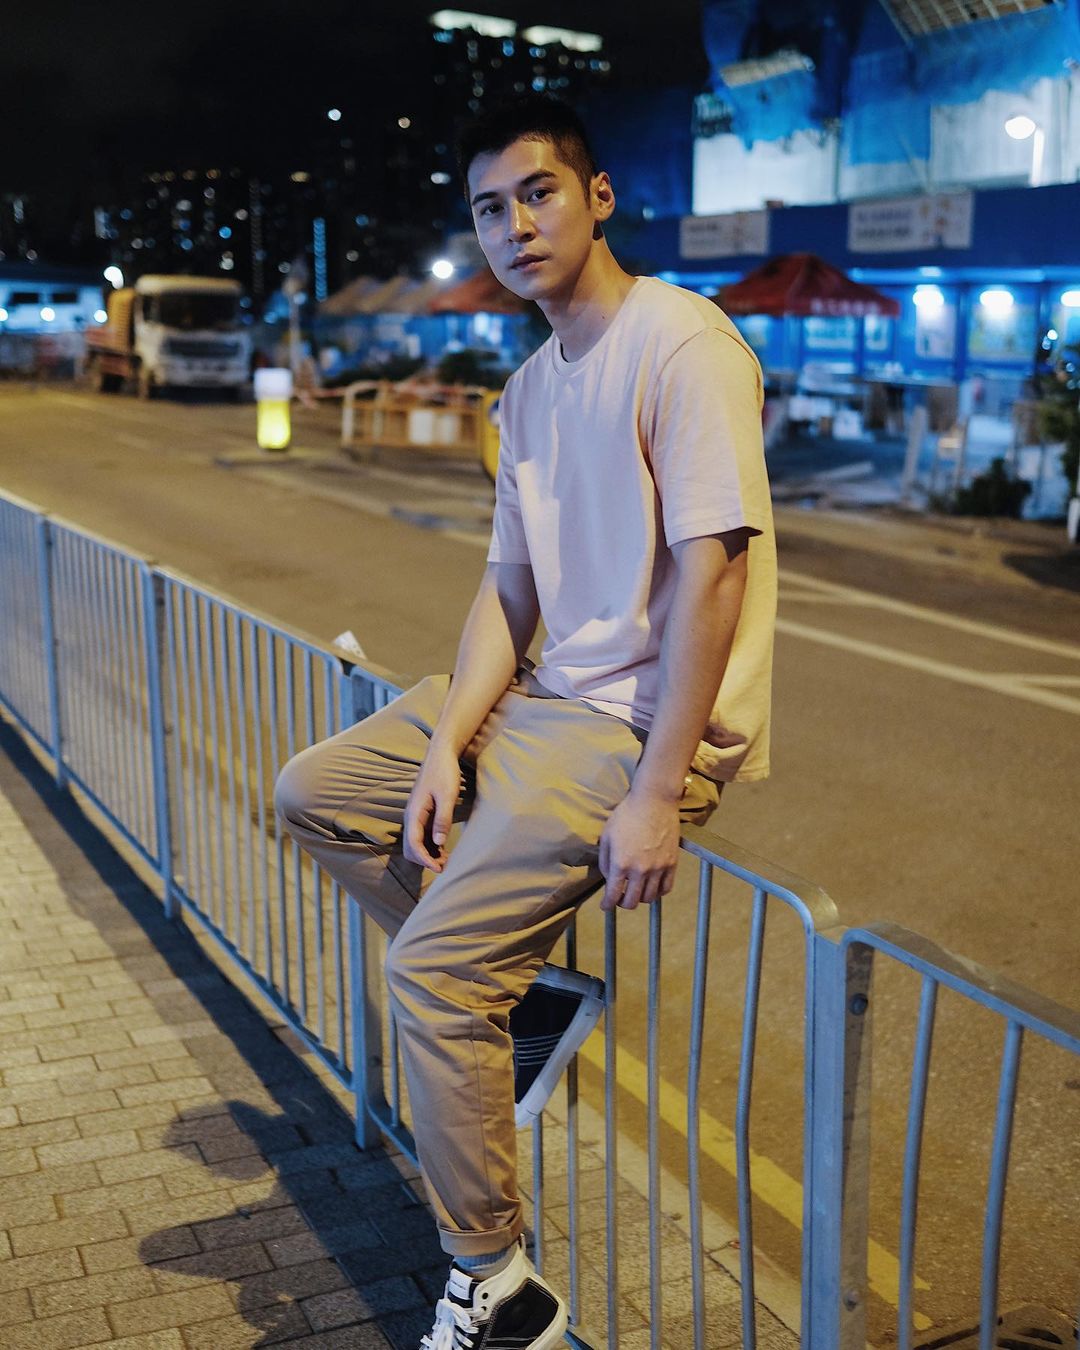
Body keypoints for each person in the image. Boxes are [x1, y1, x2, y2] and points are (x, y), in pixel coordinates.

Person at [274, 93, 776, 1350]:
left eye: (538, 193)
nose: (514, 226)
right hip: (548, 693)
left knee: (431, 976)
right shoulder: (527, 391)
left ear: (598, 199)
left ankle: (497, 1287)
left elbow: (713, 575)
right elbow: (510, 590)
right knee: (315, 793)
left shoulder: (684, 344)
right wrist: (446, 744)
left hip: (634, 726)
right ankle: (521, 993)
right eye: (489, 208)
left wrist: (657, 791)